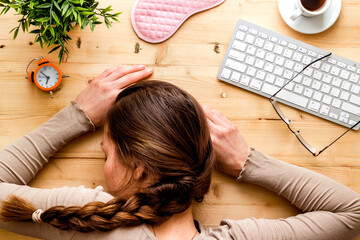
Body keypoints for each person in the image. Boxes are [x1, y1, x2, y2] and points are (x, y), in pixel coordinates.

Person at [0, 65, 360, 240]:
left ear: (139, 170)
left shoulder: (88, 222)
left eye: (106, 153)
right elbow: (352, 212)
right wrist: (248, 163)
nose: (104, 164)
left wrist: (76, 117)